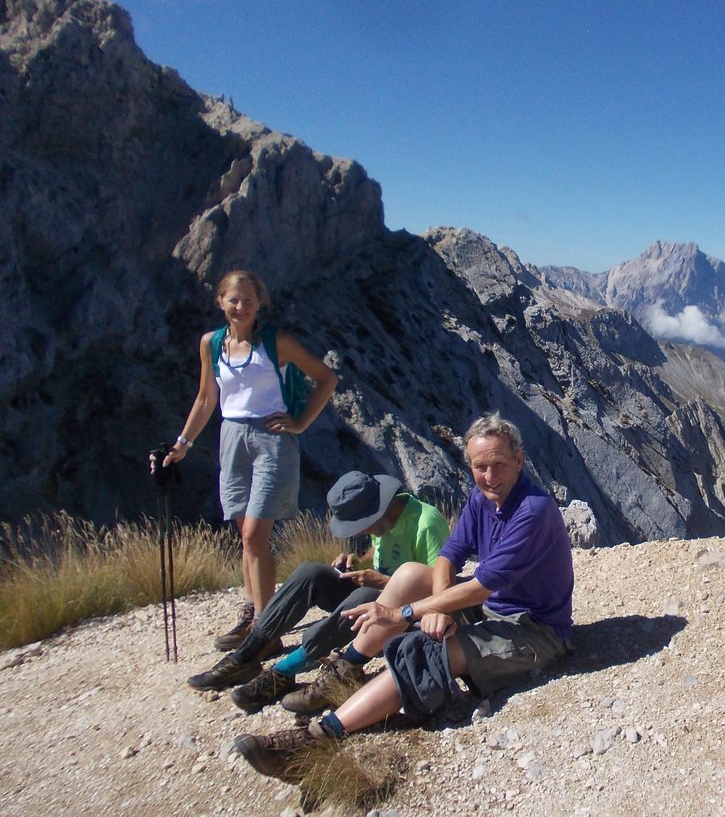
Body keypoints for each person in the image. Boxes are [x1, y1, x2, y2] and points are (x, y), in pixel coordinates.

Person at [232, 413, 575, 782]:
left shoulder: (533, 511)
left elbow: (483, 585)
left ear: (519, 461)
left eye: (499, 465)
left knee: (423, 652)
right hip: (492, 608)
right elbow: (449, 555)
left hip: (536, 631)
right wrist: (439, 607)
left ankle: (316, 738)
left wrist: (405, 613)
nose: (490, 477)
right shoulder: (482, 498)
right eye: (480, 467)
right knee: (412, 572)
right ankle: (345, 671)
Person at [162, 269, 338, 650]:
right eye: (233, 300)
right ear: (220, 301)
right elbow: (207, 398)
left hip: (272, 440)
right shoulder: (211, 344)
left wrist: (300, 423)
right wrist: (183, 443)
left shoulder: (277, 342)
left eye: (248, 300)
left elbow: (326, 378)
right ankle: (255, 613)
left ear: (260, 304)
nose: (240, 307)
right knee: (247, 538)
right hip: (231, 437)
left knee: (254, 535)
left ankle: (264, 628)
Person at [185, 471, 450, 714]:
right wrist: (357, 562)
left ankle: (285, 671)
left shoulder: (426, 523)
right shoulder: (384, 521)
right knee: (310, 572)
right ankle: (249, 652)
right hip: (377, 592)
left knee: (363, 598)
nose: (359, 530)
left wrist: (382, 582)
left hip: (402, 614)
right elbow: (379, 553)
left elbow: (436, 585)